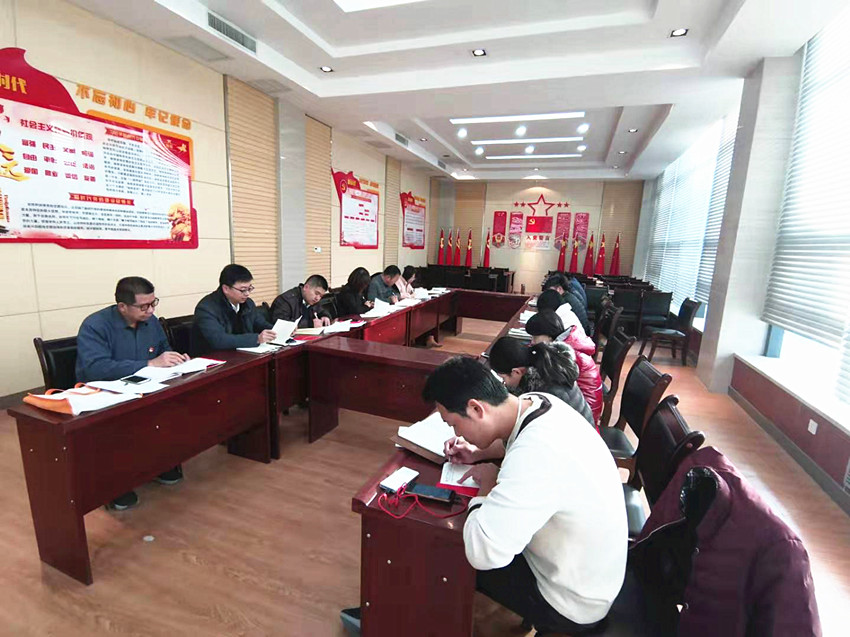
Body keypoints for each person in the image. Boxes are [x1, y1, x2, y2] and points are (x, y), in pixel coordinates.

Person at [424, 357, 627, 634]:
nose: (456, 432)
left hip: (571, 601)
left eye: (454, 424)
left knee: (450, 549)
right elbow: (513, 437)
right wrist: (478, 452)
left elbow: (483, 554)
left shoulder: (538, 452)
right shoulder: (538, 402)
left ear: (476, 408)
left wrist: (486, 488)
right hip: (591, 570)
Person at [76, 276, 189, 510]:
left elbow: (163, 349)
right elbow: (95, 368)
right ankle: (117, 483)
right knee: (123, 425)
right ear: (122, 306)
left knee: (175, 408)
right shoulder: (95, 326)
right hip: (105, 392)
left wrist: (175, 359)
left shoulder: (151, 321)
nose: (151, 310)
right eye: (144, 306)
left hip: (144, 386)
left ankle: (158, 464)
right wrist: (149, 363)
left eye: (153, 303)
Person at [489, 336, 594, 426]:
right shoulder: (546, 368)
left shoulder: (544, 396)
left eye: (503, 378)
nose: (504, 383)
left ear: (516, 372)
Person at [526, 310, 603, 423]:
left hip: (584, 417)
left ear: (549, 336)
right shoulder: (564, 345)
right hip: (580, 406)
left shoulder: (568, 355)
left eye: (535, 337)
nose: (532, 342)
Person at [191, 264, 276, 356]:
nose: (247, 294)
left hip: (243, 355)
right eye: (243, 290)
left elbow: (260, 323)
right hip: (214, 358)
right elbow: (218, 340)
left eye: (249, 289)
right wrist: (256, 339)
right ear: (226, 289)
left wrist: (278, 331)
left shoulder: (248, 303)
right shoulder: (206, 308)